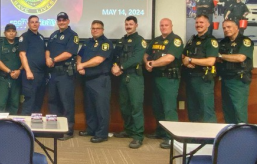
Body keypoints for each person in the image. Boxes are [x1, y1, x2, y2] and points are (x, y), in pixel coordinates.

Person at [144, 18, 183, 149]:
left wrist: (152, 63)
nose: (163, 27)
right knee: (157, 107)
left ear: (171, 26)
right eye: (161, 25)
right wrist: (147, 62)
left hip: (169, 79)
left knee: (169, 109)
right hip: (155, 77)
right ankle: (161, 132)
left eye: (166, 25)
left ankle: (172, 138)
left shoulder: (175, 40)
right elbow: (146, 54)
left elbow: (169, 58)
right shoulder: (155, 40)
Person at [111, 16, 146, 149]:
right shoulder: (121, 40)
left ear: (136, 25)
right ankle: (129, 130)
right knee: (124, 106)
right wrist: (115, 66)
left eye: (131, 24)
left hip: (134, 78)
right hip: (122, 77)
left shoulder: (140, 41)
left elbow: (136, 58)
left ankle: (138, 136)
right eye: (126, 24)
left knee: (136, 106)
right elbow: (116, 56)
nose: (128, 26)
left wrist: (121, 67)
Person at [77, 20, 113, 143]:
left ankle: (102, 134)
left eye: (97, 28)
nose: (95, 30)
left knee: (101, 108)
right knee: (90, 107)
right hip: (87, 79)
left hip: (100, 80)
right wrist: (79, 65)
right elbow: (79, 55)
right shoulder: (87, 42)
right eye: (93, 28)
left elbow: (98, 60)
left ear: (102, 29)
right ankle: (91, 129)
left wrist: (83, 66)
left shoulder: (106, 43)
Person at [46, 12, 79, 141]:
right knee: (53, 101)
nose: (61, 22)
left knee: (67, 102)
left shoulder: (73, 35)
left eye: (64, 20)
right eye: (59, 20)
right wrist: (48, 58)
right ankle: (56, 129)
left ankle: (68, 131)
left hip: (65, 73)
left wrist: (52, 59)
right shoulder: (54, 35)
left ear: (68, 21)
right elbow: (48, 48)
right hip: (53, 73)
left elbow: (69, 53)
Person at [182, 14, 218, 123]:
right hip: (190, 78)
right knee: (193, 111)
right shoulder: (191, 40)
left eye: (201, 22)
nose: (199, 25)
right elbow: (183, 56)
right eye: (197, 22)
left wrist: (190, 60)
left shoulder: (210, 41)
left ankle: (210, 139)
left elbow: (211, 61)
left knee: (207, 111)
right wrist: (185, 61)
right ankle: (194, 139)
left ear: (208, 24)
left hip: (204, 80)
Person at [216, 20, 253, 124]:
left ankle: (242, 138)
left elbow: (240, 58)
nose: (226, 30)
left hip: (238, 80)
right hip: (225, 79)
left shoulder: (245, 41)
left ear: (237, 27)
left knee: (239, 111)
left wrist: (222, 56)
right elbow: (217, 59)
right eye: (224, 28)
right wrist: (224, 57)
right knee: (227, 110)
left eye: (229, 27)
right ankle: (231, 137)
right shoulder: (224, 42)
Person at [19, 15, 47, 115]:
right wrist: (28, 71)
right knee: (29, 103)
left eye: (36, 22)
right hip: (30, 75)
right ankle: (25, 129)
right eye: (32, 22)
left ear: (39, 24)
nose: (34, 24)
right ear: (28, 24)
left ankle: (35, 129)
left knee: (38, 104)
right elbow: (22, 55)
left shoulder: (41, 37)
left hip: (41, 75)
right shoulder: (25, 37)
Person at [0, 23, 22, 115]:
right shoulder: (0, 45)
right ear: (4, 33)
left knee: (15, 104)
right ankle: (0, 126)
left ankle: (13, 126)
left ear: (16, 33)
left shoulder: (20, 44)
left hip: (16, 78)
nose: (11, 33)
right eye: (9, 31)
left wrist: (19, 71)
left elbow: (24, 58)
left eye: (13, 31)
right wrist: (10, 72)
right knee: (1, 104)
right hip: (4, 79)